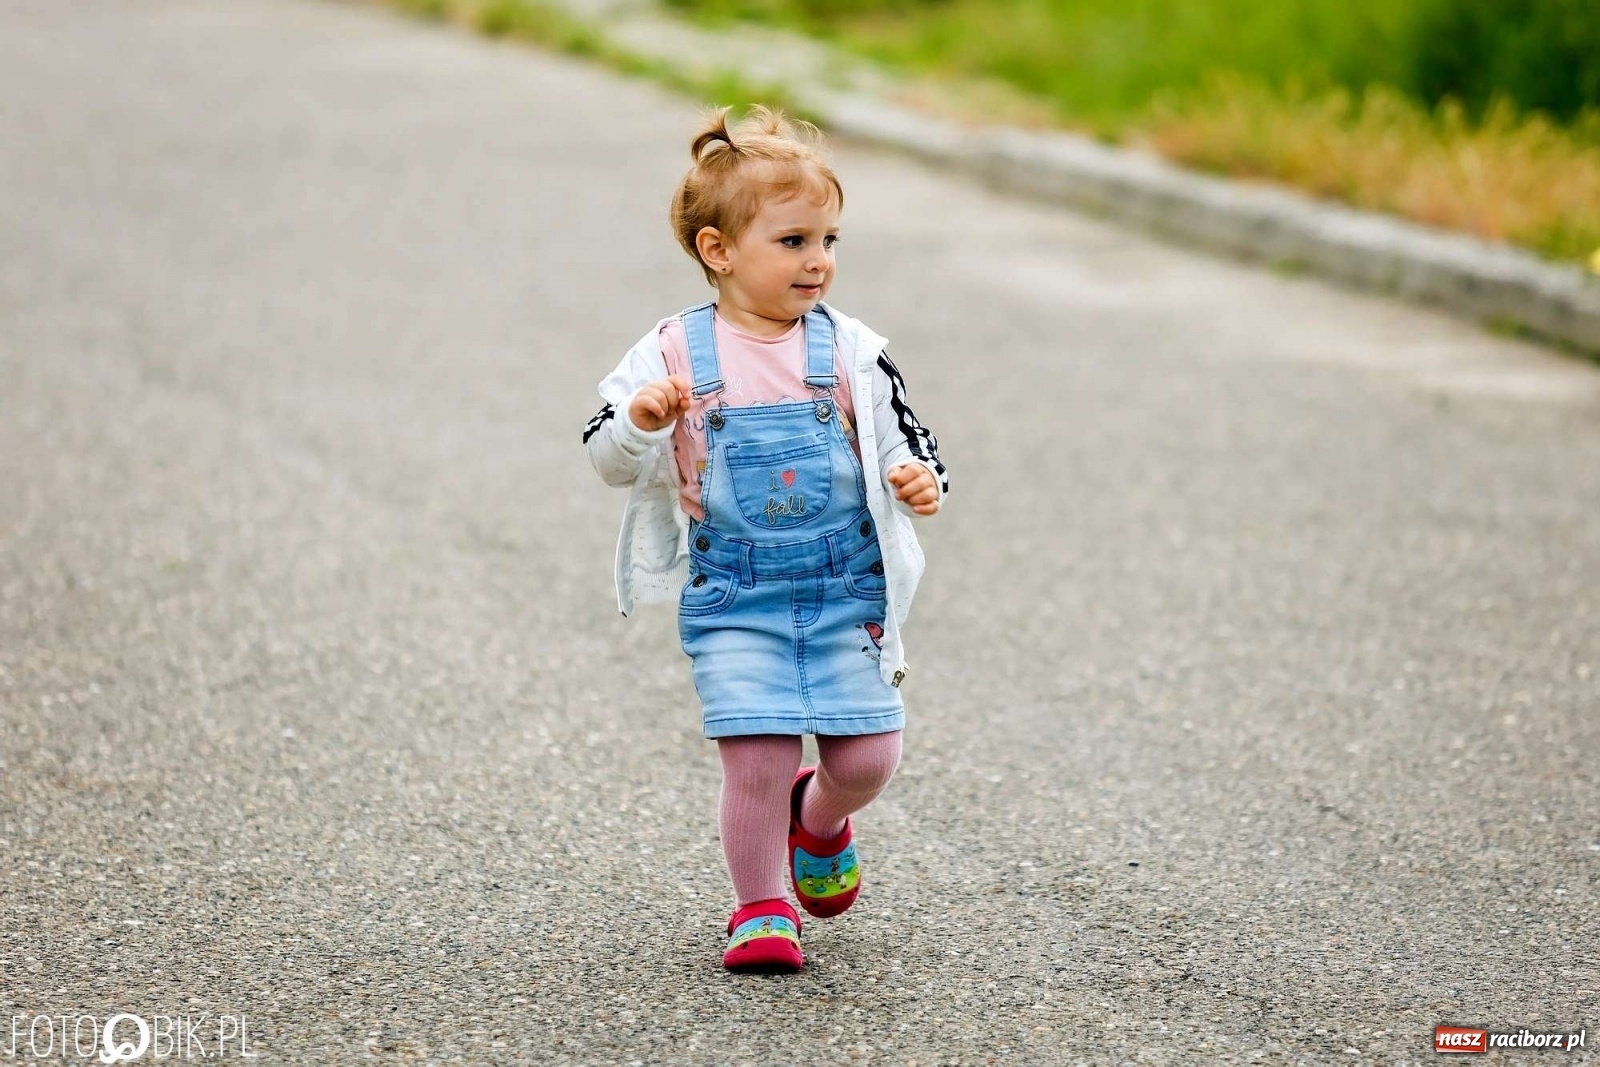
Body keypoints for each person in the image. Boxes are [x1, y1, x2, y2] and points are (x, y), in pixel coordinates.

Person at [582, 105, 948, 972]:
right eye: (792, 242)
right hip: (738, 594)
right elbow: (605, 453)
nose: (818, 260)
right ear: (718, 250)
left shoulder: (850, 350)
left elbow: (904, 435)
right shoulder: (672, 352)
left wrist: (918, 477)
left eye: (827, 239)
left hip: (843, 586)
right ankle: (761, 905)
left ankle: (817, 819)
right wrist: (640, 422)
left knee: (870, 756)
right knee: (755, 756)